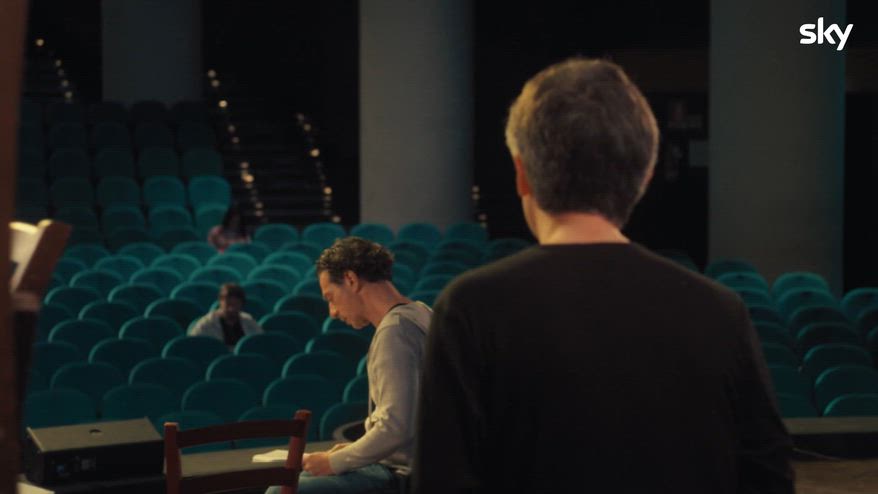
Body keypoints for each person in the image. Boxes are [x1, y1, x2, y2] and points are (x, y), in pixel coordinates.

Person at [412, 58, 794, 493]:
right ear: (644, 175)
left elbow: (440, 480)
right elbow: (768, 475)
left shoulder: (471, 307)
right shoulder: (720, 311)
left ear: (521, 174)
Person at [266, 236, 432, 494]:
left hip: (403, 474)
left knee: (281, 491)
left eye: (330, 297)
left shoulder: (395, 331)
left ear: (351, 280)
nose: (332, 312)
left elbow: (396, 428)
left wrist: (334, 462)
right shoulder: (422, 312)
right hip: (421, 465)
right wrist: (357, 450)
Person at [188, 282, 263, 347]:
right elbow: (193, 343)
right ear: (220, 302)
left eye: (235, 305)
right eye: (228, 305)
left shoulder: (249, 321)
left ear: (241, 304)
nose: (231, 309)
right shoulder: (206, 323)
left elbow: (260, 341)